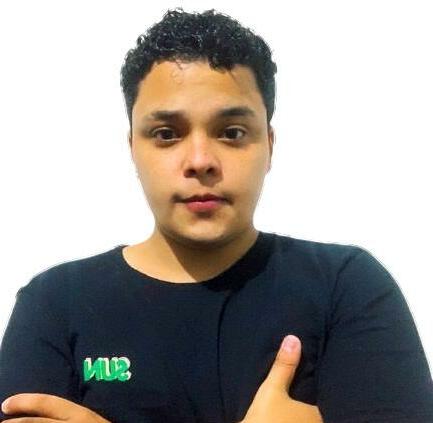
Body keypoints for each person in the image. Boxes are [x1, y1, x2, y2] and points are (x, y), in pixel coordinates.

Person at [1, 7, 432, 423]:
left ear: (269, 146)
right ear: (133, 147)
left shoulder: (345, 287)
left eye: (232, 133)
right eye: (166, 134)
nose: (200, 160)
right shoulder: (55, 305)